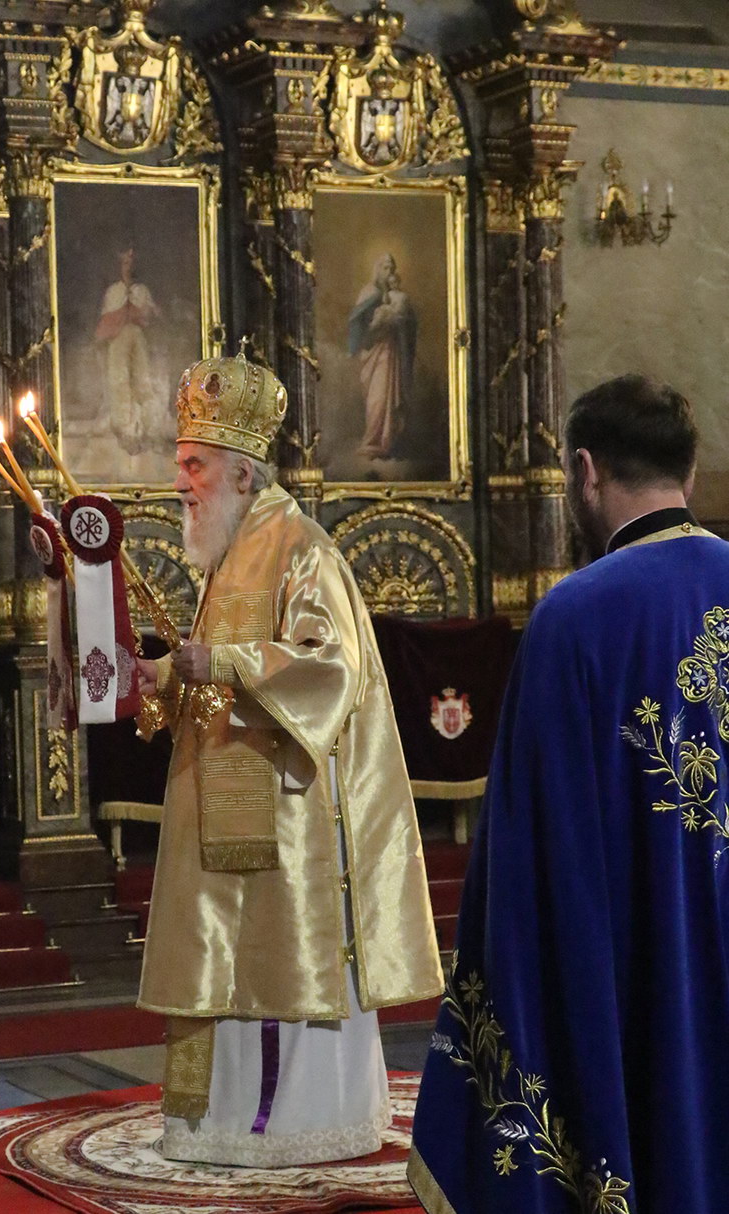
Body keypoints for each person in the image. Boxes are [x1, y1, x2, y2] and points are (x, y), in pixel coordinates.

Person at [409, 375, 729, 1213]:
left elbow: (532, 854)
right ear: (689, 472)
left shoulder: (576, 616)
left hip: (642, 969)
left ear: (585, 472)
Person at [135, 350, 443, 1167]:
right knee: (219, 959)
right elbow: (211, 675)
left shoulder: (302, 547)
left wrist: (221, 662)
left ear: (241, 473)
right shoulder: (231, 548)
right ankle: (217, 1123)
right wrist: (163, 675)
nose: (181, 482)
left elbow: (332, 668)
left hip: (289, 815)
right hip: (226, 805)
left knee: (274, 968)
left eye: (195, 466)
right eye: (181, 464)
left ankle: (291, 1126)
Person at [348, 252, 417, 460]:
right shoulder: (369, 292)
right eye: (386, 268)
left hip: (391, 353)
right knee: (376, 399)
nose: (389, 273)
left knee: (388, 396)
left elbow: (408, 324)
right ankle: (372, 441)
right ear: (378, 270)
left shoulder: (398, 297)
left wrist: (398, 322)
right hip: (372, 352)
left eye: (392, 269)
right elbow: (357, 323)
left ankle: (386, 441)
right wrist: (374, 328)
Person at [94, 244, 162, 455]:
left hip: (138, 337)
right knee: (119, 382)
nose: (128, 267)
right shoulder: (114, 291)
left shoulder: (142, 291)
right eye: (125, 262)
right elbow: (107, 319)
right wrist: (125, 314)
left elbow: (151, 315)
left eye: (131, 263)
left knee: (142, 380)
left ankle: (147, 430)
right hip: (118, 338)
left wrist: (141, 313)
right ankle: (126, 432)